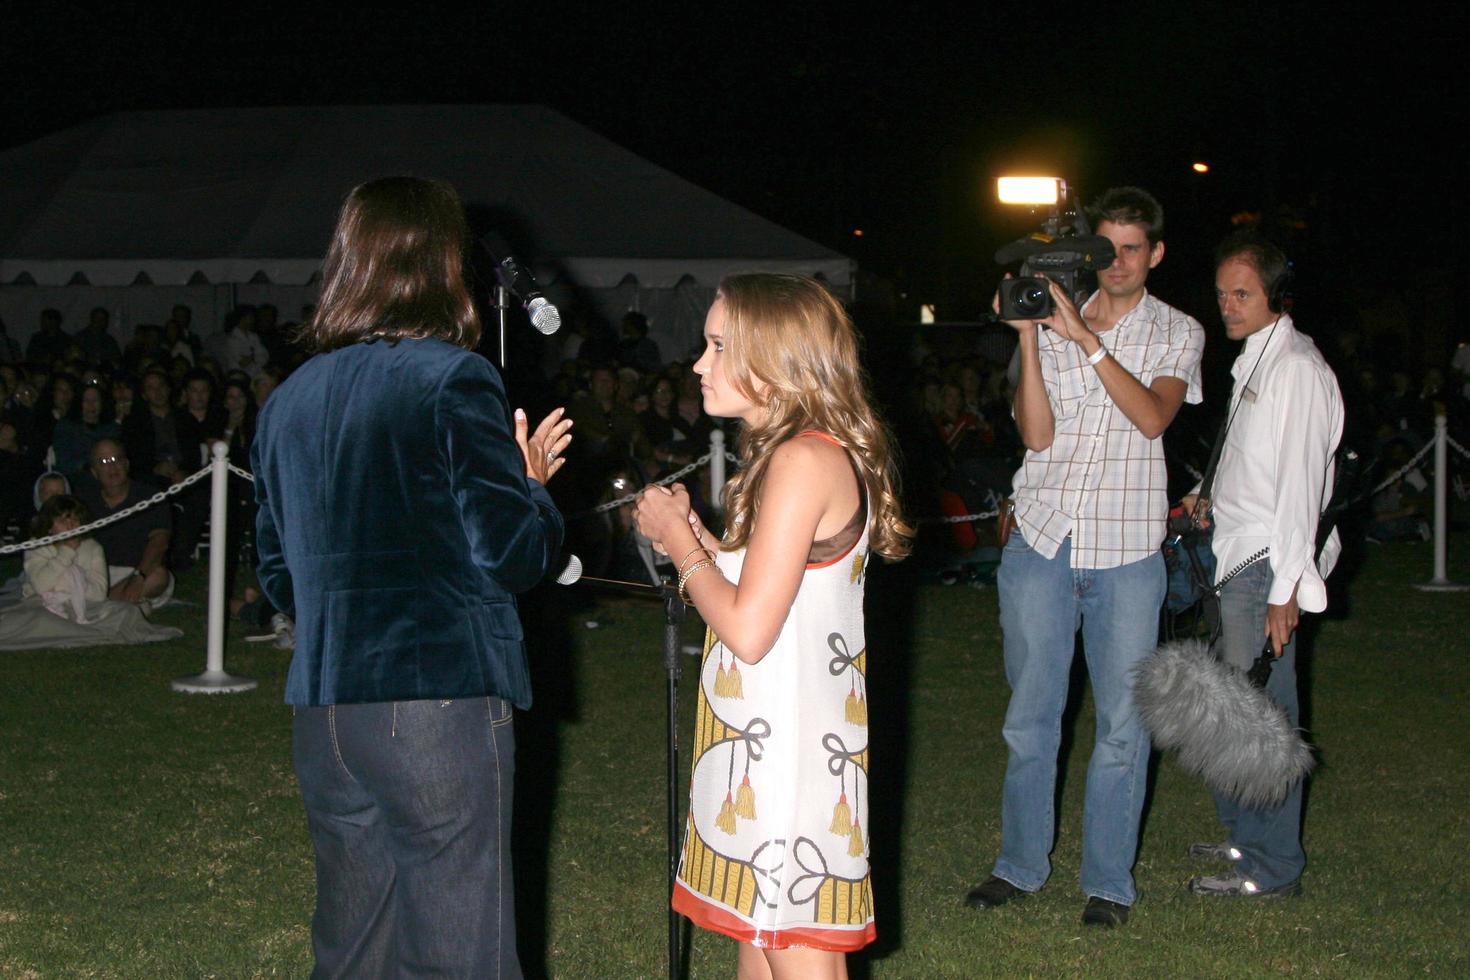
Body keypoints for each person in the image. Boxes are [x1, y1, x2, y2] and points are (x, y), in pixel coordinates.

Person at [252, 176, 572, 978]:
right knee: (462, 953)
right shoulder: (452, 379)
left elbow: (278, 577)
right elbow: (510, 556)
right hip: (436, 704)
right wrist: (532, 488)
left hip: (326, 715)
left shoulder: (288, 401)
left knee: (355, 951)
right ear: (444, 265)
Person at [635, 273, 912, 978]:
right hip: (770, 743)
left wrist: (680, 542)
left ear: (776, 359)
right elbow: (771, 587)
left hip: (790, 759)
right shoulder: (790, 457)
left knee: (793, 957)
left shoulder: (802, 459)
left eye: (721, 345)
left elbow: (750, 629)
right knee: (759, 951)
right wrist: (698, 537)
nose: (700, 363)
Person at [965, 187, 1205, 927]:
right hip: (1043, 538)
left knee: (1123, 729)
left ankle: (1107, 884)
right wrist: (1033, 336)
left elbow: (1152, 415)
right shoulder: (1055, 314)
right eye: (1108, 249)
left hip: (1128, 548)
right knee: (1029, 718)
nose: (1120, 263)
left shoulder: (1177, 330)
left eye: (1134, 248)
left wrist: (1087, 342)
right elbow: (1036, 437)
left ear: (1157, 254)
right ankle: (1020, 865)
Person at [1182, 232, 1343, 900]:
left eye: (1242, 293)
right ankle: (1246, 839)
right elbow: (1259, 465)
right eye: (1222, 294)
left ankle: (1272, 869)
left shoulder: (1297, 368)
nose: (1228, 305)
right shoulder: (1255, 360)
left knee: (1263, 721)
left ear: (1275, 294)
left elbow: (1303, 488)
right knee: (1233, 714)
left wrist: (1288, 591)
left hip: (1265, 565)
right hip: (1237, 555)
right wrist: (1209, 495)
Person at [76, 438, 175, 610]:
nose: (112, 467)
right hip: (97, 575)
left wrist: (139, 576)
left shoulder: (150, 496)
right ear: (94, 471)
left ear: (127, 464)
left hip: (138, 572)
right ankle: (114, 604)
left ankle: (101, 605)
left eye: (117, 459)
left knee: (158, 576)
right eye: (104, 462)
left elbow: (159, 542)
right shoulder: (84, 501)